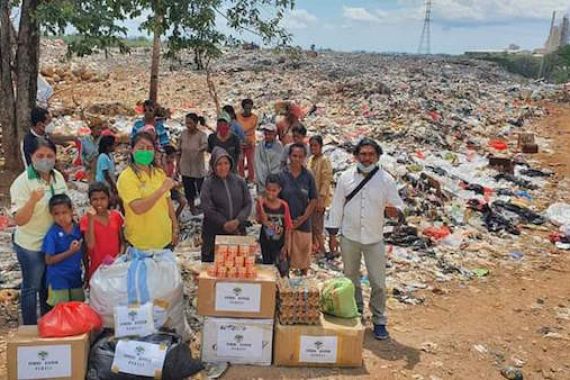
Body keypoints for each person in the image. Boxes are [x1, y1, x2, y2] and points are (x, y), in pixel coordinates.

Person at [326, 138, 404, 341]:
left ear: (377, 156)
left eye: (371, 154)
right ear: (356, 156)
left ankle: (379, 320)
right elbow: (336, 206)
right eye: (363, 154)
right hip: (349, 236)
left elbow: (398, 207)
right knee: (351, 278)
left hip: (374, 238)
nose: (367, 158)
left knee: (378, 282)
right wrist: (332, 235)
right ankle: (357, 312)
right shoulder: (345, 177)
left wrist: (394, 211)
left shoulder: (386, 180)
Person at [11, 138, 68, 324]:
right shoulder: (22, 183)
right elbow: (19, 220)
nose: (45, 160)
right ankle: (29, 327)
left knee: (47, 286)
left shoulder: (58, 177)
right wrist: (32, 201)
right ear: (31, 157)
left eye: (50, 156)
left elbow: (64, 205)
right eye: (40, 156)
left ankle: (47, 324)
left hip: (52, 244)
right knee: (31, 287)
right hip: (31, 246)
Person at [117, 132, 179, 250]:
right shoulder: (126, 177)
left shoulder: (159, 173)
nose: (145, 152)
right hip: (141, 243)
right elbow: (138, 208)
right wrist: (161, 190)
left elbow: (168, 202)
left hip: (164, 238)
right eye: (141, 148)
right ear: (132, 150)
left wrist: (175, 227)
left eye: (149, 148)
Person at [200, 147, 252, 262]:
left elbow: (248, 203)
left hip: (237, 231)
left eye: (226, 163)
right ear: (213, 165)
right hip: (214, 233)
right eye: (219, 164)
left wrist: (237, 221)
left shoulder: (239, 181)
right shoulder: (208, 184)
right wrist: (224, 223)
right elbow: (207, 208)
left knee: (236, 267)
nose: (223, 167)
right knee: (215, 270)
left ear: (231, 164)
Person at [278, 143, 317, 275]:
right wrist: (287, 221)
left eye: (300, 156)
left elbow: (313, 199)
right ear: (289, 156)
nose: (297, 159)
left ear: (305, 157)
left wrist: (303, 218)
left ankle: (304, 291)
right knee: (284, 259)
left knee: (303, 260)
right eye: (294, 156)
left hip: (303, 223)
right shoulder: (281, 175)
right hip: (284, 224)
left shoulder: (308, 176)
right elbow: (276, 200)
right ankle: (284, 291)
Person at [43, 194, 85, 306]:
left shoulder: (78, 229)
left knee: (77, 309)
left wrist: (87, 271)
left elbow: (84, 251)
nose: (61, 217)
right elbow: (49, 260)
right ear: (51, 214)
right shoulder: (52, 234)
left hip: (75, 276)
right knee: (61, 312)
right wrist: (70, 252)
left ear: (71, 211)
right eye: (56, 214)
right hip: (58, 279)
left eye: (64, 212)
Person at [80, 182, 124, 282]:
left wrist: (119, 258)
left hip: (116, 267)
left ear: (108, 199)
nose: (99, 202)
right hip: (97, 270)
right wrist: (91, 220)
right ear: (90, 201)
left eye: (103, 198)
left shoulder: (115, 216)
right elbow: (89, 245)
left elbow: (122, 242)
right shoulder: (86, 220)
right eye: (95, 199)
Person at [256, 174, 292, 277]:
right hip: (266, 242)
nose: (271, 193)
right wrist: (260, 205)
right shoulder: (262, 204)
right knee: (267, 269)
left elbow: (288, 227)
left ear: (279, 190)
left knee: (282, 271)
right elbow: (263, 221)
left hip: (280, 243)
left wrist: (286, 246)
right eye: (268, 190)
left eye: (274, 190)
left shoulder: (283, 206)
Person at [307, 135, 332, 256]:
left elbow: (326, 181)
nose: (313, 148)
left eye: (315, 145)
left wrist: (320, 199)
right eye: (311, 145)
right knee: (311, 225)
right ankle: (314, 248)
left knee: (317, 227)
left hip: (319, 199)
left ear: (321, 146)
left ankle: (323, 251)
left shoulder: (324, 160)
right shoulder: (311, 159)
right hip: (310, 198)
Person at [178, 113, 208, 214]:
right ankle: (192, 208)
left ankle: (205, 206)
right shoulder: (183, 134)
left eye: (190, 123)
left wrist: (200, 149)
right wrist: (177, 166)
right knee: (188, 189)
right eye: (187, 123)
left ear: (196, 123)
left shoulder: (201, 135)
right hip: (185, 166)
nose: (188, 125)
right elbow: (179, 151)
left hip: (198, 167)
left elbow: (205, 145)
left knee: (201, 189)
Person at [254, 124, 283, 193]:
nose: (267, 136)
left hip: (274, 179)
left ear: (275, 135)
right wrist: (260, 177)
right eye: (266, 134)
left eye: (270, 134)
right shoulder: (260, 146)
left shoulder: (279, 146)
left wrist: (272, 178)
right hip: (261, 177)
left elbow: (278, 163)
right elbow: (257, 161)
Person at [236, 98, 259, 182]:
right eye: (246, 108)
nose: (248, 110)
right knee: (240, 161)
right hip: (240, 143)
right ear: (243, 107)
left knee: (250, 161)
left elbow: (250, 130)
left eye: (250, 108)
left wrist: (242, 134)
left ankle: (251, 178)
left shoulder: (254, 118)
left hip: (250, 142)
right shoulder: (237, 117)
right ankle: (241, 178)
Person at [163, 144, 187, 218]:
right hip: (163, 190)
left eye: (173, 157)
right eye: (171, 157)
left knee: (183, 201)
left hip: (171, 188)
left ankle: (175, 218)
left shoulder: (172, 164)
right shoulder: (161, 166)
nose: (173, 159)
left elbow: (172, 176)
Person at [95, 134, 118, 202]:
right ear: (108, 147)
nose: (115, 146)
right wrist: (113, 186)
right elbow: (106, 174)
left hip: (108, 183)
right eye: (113, 145)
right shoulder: (103, 157)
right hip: (103, 184)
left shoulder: (110, 155)